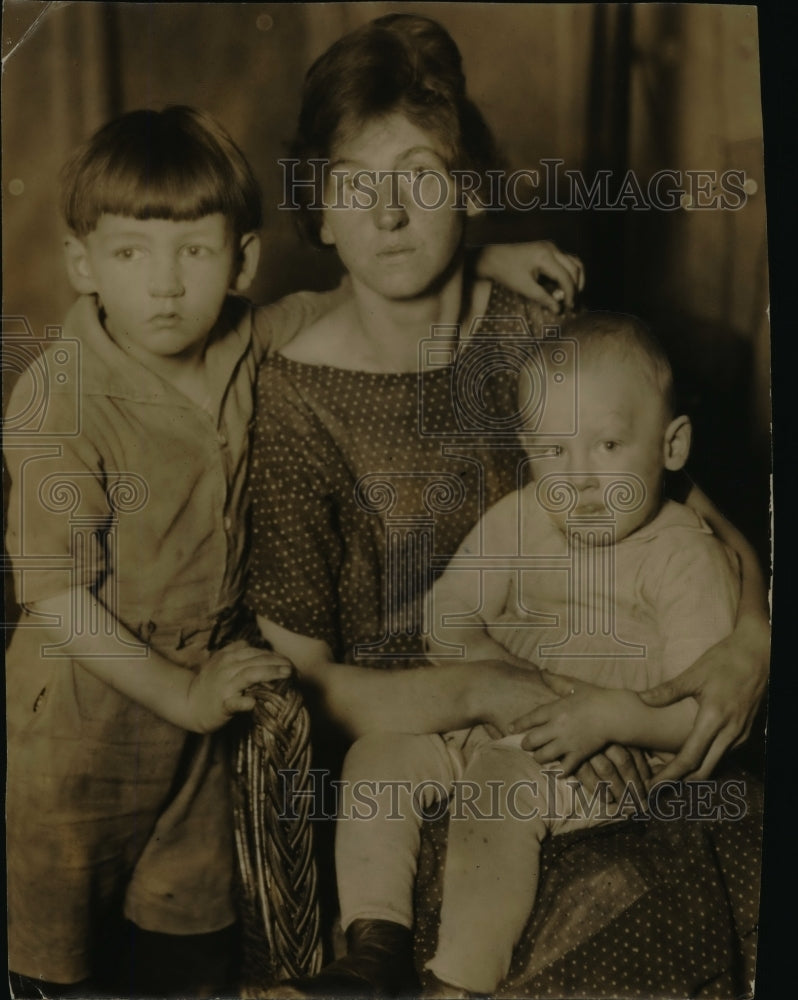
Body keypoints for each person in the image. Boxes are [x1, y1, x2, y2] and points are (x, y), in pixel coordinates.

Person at [245, 13, 769, 998]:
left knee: (684, 873)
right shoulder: (295, 398)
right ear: (317, 210)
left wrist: (752, 631)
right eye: (356, 182)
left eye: (423, 174)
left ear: (473, 188)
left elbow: (676, 493)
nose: (391, 212)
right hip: (406, 783)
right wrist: (509, 696)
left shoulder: (536, 328)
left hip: (610, 722)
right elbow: (309, 688)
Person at [3, 104, 579, 998]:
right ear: (82, 265)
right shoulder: (58, 398)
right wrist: (182, 694)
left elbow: (373, 285)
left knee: (190, 944)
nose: (163, 286)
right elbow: (56, 598)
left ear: (240, 263)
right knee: (54, 955)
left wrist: (482, 255)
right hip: (78, 719)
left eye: (193, 253)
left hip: (211, 711)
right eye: (128, 255)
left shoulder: (249, 334)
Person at [336, 311, 742, 997]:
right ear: (528, 449)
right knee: (378, 752)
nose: (579, 478)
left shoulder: (685, 554)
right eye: (554, 452)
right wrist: (509, 680)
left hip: (612, 755)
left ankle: (460, 980)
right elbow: (447, 617)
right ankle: (374, 950)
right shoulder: (525, 517)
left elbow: (704, 713)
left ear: (671, 445)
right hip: (500, 714)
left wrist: (614, 715)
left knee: (501, 781)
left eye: (608, 444)